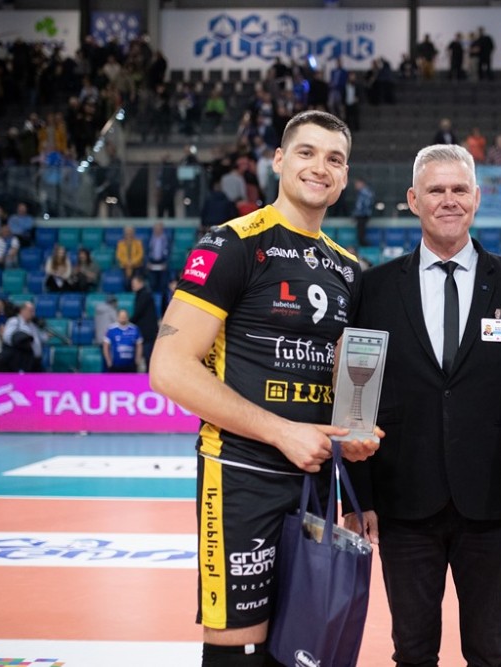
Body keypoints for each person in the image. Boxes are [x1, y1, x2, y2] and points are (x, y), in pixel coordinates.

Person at [148, 110, 380, 667]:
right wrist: (282, 432)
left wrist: (355, 437)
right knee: (240, 651)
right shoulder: (232, 243)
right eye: (306, 152)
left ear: (345, 176)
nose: (320, 167)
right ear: (277, 160)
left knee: (303, 649)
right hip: (240, 480)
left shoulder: (350, 269)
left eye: (335, 159)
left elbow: (345, 384)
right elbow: (169, 367)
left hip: (317, 487)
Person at [344, 144, 501, 667]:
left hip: (492, 505)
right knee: (412, 652)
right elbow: (356, 399)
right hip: (404, 502)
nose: (448, 200)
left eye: (459, 189)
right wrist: (358, 497)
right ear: (414, 200)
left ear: (476, 198)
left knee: (491, 652)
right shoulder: (374, 288)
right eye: (436, 190)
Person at [1, 301, 45, 372]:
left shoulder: (32, 324)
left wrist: (46, 336)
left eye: (33, 311)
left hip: (35, 360)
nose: (33, 314)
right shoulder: (15, 321)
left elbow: (39, 339)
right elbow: (7, 337)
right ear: (22, 310)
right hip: (20, 359)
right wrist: (22, 341)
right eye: (31, 311)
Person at [130, 274, 160, 367]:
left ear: (141, 283)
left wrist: (129, 322)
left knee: (148, 355)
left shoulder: (144, 295)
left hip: (147, 332)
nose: (132, 285)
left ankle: (148, 373)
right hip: (146, 331)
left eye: (134, 283)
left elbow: (139, 312)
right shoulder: (143, 294)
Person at [103, 308, 143, 373]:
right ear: (118, 317)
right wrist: (108, 361)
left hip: (131, 366)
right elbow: (105, 346)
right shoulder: (111, 329)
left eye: (124, 317)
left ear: (128, 317)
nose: (123, 318)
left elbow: (139, 345)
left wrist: (137, 359)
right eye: (121, 317)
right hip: (115, 366)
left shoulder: (134, 329)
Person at [351, 178, 375, 246]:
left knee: (361, 233)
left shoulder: (365, 193)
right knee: (360, 232)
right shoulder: (363, 192)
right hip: (362, 215)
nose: (355, 186)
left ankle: (364, 245)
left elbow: (363, 205)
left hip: (362, 215)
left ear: (362, 183)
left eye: (357, 184)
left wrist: (357, 213)